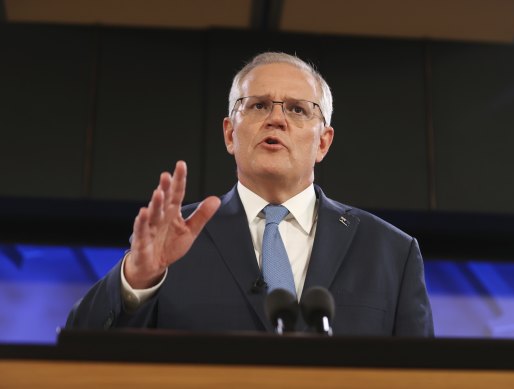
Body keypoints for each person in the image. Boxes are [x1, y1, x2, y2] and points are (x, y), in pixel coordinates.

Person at [67, 52, 433, 336]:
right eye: (258, 105)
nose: (276, 119)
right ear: (230, 133)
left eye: (297, 109)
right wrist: (137, 279)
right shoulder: (172, 241)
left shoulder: (391, 252)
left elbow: (424, 376)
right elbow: (80, 344)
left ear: (323, 142)